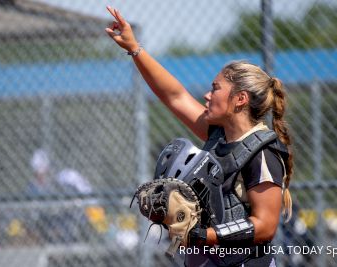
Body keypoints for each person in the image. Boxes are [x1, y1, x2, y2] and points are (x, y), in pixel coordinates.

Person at [105, 6, 293, 267]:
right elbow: (175, 96)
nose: (207, 95)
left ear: (240, 99)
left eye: (215, 89)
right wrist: (135, 49)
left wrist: (204, 236)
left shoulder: (262, 152)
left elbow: (265, 227)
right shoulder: (218, 135)